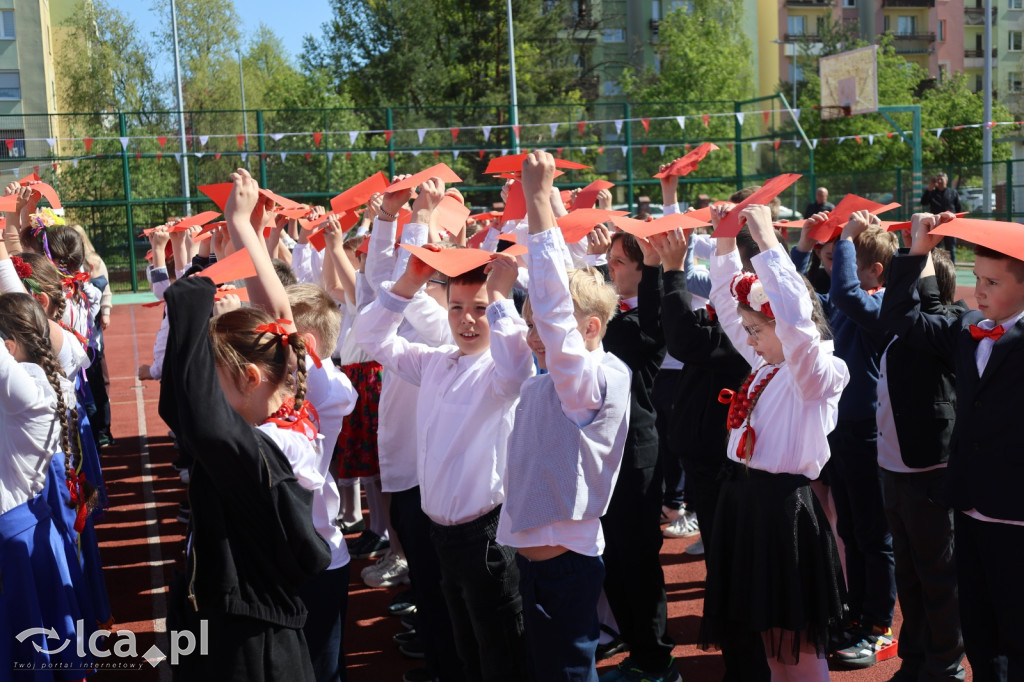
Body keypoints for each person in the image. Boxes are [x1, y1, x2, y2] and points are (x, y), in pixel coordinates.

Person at [159, 170, 332, 681]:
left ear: (252, 378)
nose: (208, 390)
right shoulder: (290, 401)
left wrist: (192, 297)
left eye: (215, 378)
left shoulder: (264, 445)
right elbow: (279, 315)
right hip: (243, 617)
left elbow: (198, 418)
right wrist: (242, 228)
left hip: (250, 645)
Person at [353, 236, 535, 681]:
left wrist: (501, 298)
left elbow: (518, 365)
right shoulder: (434, 362)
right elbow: (370, 335)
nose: (466, 320)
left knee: (502, 656)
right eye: (456, 308)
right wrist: (409, 282)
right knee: (465, 650)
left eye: (479, 309)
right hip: (442, 535)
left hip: (487, 538)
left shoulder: (499, 372)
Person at [496, 150, 631, 681]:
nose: (537, 336)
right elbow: (545, 317)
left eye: (546, 328)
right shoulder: (551, 377)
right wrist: (500, 298)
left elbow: (556, 311)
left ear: (591, 328)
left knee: (568, 674)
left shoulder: (591, 378)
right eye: (531, 325)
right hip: (541, 563)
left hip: (565, 566)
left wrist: (537, 204)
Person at [705, 202, 848, 681]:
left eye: (756, 331)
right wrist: (724, 242)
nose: (749, 340)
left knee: (797, 641)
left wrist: (768, 243)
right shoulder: (769, 363)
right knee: (767, 639)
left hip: (784, 511)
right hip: (748, 503)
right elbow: (730, 310)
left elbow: (796, 322)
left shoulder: (815, 371)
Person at [880, 212, 1024, 682]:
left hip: (1015, 516)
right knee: (979, 633)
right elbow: (899, 317)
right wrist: (916, 252)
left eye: (992, 282)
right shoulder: (966, 327)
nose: (979, 291)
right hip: (968, 508)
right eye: (976, 278)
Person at [651, 225, 770, 681]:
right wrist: (661, 269)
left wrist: (673, 270)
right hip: (710, 460)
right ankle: (742, 662)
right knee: (726, 568)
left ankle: (748, 667)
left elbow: (684, 339)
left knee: (735, 571)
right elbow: (671, 328)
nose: (732, 285)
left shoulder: (753, 326)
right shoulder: (736, 317)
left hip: (728, 467)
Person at [599, 228, 676, 682]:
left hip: (636, 456)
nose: (608, 268)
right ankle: (637, 650)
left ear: (642, 271)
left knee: (638, 562)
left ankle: (657, 661)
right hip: (603, 454)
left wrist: (652, 263)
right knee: (612, 560)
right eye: (608, 260)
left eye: (618, 262)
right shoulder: (610, 312)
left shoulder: (647, 318)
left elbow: (644, 321)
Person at [920, 174, 962, 263]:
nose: (939, 181)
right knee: (935, 248)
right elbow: (923, 202)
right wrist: (930, 188)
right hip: (936, 224)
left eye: (941, 179)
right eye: (937, 180)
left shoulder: (953, 192)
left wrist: (957, 222)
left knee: (950, 248)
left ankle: (951, 268)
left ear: (946, 180)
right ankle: (935, 267)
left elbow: (958, 208)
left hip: (949, 224)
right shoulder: (932, 193)